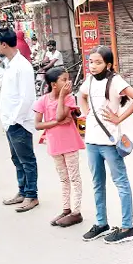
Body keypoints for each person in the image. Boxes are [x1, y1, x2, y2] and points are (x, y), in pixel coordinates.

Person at [78, 46, 133, 244]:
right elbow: (81, 95)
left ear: (108, 64)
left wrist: (118, 118)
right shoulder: (88, 81)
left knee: (121, 183)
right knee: (97, 184)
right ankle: (101, 223)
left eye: (98, 63)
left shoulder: (115, 81)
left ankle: (127, 227)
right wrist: (85, 112)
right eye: (91, 62)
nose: (93, 66)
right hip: (91, 142)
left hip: (109, 142)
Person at [0, 29, 40, 212]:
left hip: (19, 122)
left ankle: (31, 195)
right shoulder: (10, 64)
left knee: (27, 160)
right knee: (17, 159)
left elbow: (27, 97)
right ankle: (22, 191)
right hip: (10, 121)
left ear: (4, 44)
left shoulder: (23, 66)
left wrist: (15, 119)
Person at [33, 67, 85, 226]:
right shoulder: (42, 101)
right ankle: (66, 209)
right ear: (53, 84)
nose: (68, 82)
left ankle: (76, 212)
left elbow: (61, 115)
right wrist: (56, 123)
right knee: (64, 179)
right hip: (55, 145)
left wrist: (62, 97)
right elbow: (37, 125)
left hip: (70, 144)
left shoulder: (69, 98)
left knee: (74, 178)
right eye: (64, 79)